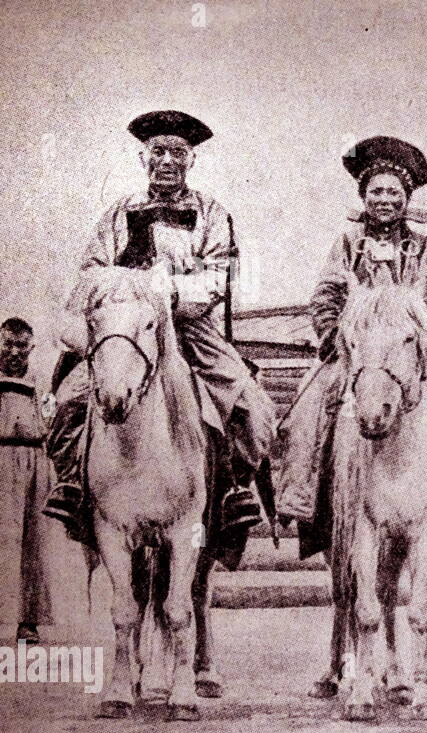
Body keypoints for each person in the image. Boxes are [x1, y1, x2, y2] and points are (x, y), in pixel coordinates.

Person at [44, 110, 275, 544]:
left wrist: (165, 294)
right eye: (158, 152)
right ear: (143, 158)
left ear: (191, 161)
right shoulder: (117, 213)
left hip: (189, 328)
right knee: (68, 398)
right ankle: (73, 482)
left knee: (250, 404)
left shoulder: (212, 213)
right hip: (123, 327)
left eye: (177, 153)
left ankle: (233, 487)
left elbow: (216, 276)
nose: (167, 160)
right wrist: (126, 292)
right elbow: (92, 271)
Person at [276, 136, 427, 557]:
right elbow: (326, 293)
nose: (384, 200)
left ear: (406, 198)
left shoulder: (424, 247)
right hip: (357, 347)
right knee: (308, 402)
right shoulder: (346, 244)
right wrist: (332, 333)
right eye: (376, 191)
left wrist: (413, 316)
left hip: (409, 346)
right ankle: (301, 496)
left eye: (393, 193)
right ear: (364, 196)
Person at [0, 318, 51, 643]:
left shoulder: (40, 380)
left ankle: (27, 621)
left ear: (31, 348)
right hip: (0, 457)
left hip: (34, 460)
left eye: (22, 346)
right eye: (8, 344)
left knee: (33, 542)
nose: (15, 352)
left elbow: (50, 419)